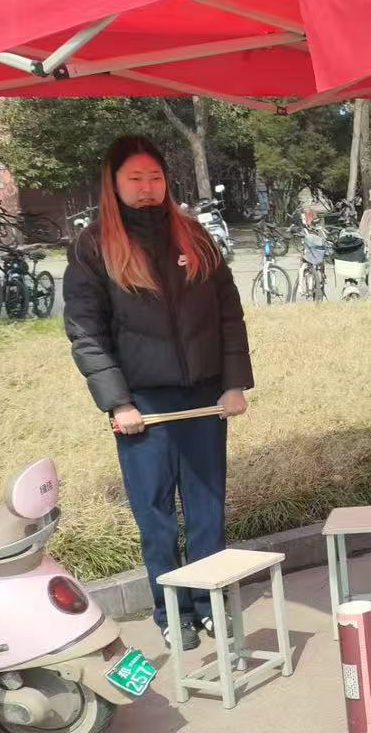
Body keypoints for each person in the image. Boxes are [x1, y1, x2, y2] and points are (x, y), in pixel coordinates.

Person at [64, 135, 252, 651]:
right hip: (143, 406)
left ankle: (209, 601)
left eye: (155, 178)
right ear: (113, 184)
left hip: (204, 398)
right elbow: (86, 331)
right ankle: (172, 609)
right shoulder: (94, 247)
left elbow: (228, 314)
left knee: (207, 509)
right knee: (156, 514)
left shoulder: (195, 236)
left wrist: (234, 383)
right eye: (135, 179)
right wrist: (118, 401)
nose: (147, 188)